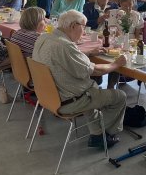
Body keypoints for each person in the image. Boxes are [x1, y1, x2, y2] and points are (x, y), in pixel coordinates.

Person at [32, 10, 128, 148]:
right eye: (83, 27)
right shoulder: (65, 45)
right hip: (69, 101)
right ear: (73, 26)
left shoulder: (44, 37)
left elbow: (65, 58)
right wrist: (116, 64)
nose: (83, 32)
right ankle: (104, 134)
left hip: (48, 96)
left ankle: (97, 132)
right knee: (120, 96)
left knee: (88, 88)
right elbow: (95, 71)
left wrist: (87, 53)